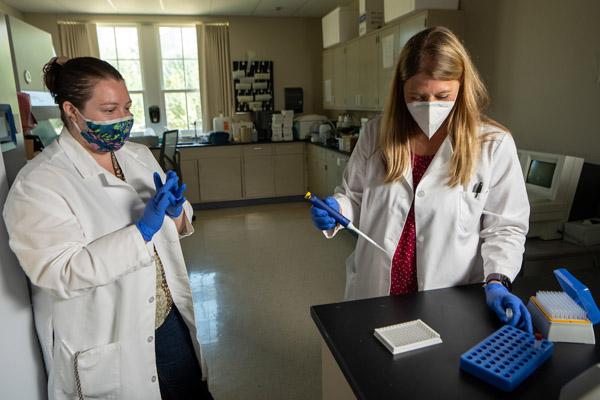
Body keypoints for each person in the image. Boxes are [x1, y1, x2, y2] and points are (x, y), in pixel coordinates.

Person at [3, 56, 213, 399]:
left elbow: (171, 227)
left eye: (127, 107)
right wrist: (140, 232)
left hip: (168, 320)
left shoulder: (137, 155)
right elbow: (60, 273)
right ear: (72, 111)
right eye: (110, 110)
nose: (124, 119)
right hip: (111, 337)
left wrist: (176, 213)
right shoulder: (39, 184)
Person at [310, 27, 532, 333]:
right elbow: (356, 197)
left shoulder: (492, 144)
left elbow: (505, 227)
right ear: (400, 90)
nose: (429, 105)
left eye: (443, 96)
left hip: (449, 298)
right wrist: (338, 207)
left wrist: (498, 280)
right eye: (416, 96)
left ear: (462, 86)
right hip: (377, 292)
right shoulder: (377, 134)